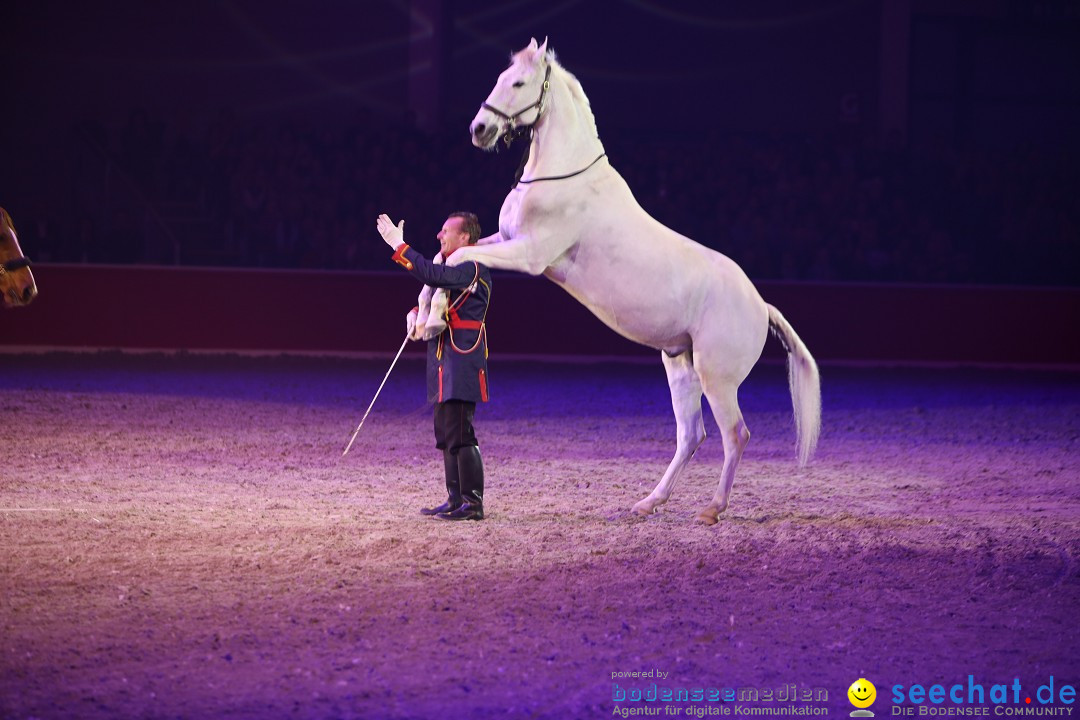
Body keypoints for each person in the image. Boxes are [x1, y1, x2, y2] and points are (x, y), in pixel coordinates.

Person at [377, 212, 492, 521]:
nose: (440, 236)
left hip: (462, 355)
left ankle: (473, 503)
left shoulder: (471, 266)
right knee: (445, 431)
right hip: (444, 354)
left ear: (464, 237)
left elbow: (434, 277)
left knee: (461, 432)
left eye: (445, 231)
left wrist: (400, 248)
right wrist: (417, 312)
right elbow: (436, 288)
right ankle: (455, 499)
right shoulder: (450, 266)